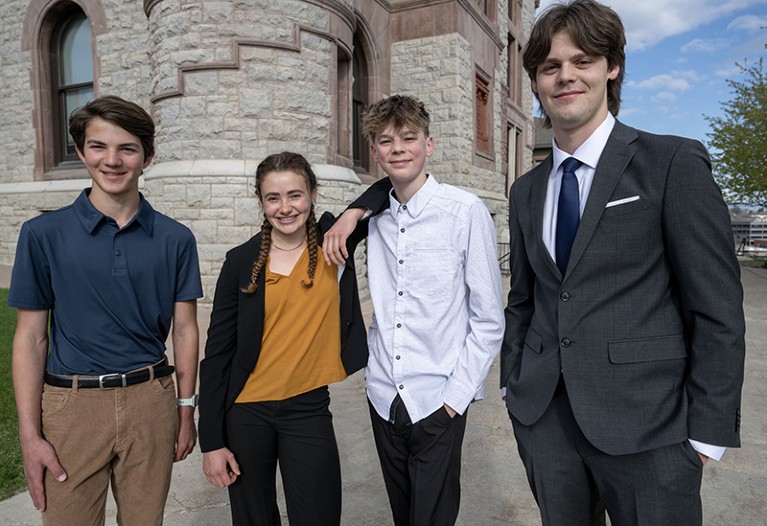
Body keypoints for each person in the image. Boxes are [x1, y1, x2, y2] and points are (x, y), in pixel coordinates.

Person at [501, 1, 746, 524]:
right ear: (537, 82)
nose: (565, 76)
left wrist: (707, 430)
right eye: (550, 66)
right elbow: (523, 299)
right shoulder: (526, 190)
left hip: (650, 429)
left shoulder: (671, 163)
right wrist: (513, 383)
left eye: (582, 60)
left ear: (611, 68)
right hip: (544, 420)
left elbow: (717, 307)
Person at [9, 95, 202, 526]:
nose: (112, 161)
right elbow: (30, 337)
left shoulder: (176, 238)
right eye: (98, 146)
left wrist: (185, 410)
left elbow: (185, 331)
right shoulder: (43, 234)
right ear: (80, 151)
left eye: (127, 148)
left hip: (151, 403)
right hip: (71, 408)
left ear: (147, 156)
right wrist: (30, 433)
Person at [323, 94, 505, 525]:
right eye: (386, 141)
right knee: (403, 515)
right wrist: (354, 211)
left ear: (429, 145)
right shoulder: (373, 217)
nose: (398, 148)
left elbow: (489, 321)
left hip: (438, 397)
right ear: (376, 152)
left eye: (409, 138)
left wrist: (454, 400)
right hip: (384, 395)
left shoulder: (464, 212)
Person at [198, 151, 369, 525]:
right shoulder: (240, 261)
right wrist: (210, 441)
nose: (285, 207)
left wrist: (351, 216)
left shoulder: (333, 242)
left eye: (295, 195)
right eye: (273, 198)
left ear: (312, 194)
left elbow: (388, 191)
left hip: (308, 408)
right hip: (245, 411)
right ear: (261, 202)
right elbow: (216, 356)